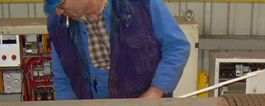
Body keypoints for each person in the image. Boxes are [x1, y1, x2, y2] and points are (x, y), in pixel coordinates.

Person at [44, 0, 190, 100]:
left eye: (61, 4)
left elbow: (177, 47)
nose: (58, 11)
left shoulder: (142, 5)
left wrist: (156, 91)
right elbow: (62, 79)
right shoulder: (59, 25)